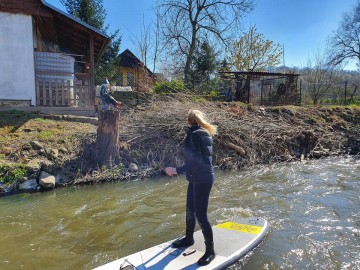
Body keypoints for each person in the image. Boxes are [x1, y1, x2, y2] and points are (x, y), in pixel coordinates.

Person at [164, 109, 217, 266]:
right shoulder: (204, 132)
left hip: (202, 179)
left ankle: (210, 251)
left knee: (201, 215)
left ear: (189, 121)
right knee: (190, 209)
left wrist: (175, 170)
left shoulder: (194, 135)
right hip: (198, 177)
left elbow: (196, 162)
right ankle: (189, 238)